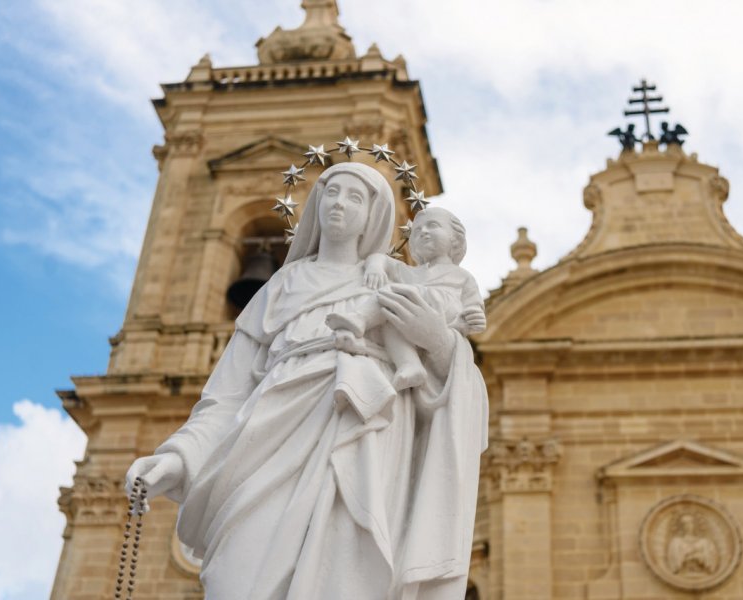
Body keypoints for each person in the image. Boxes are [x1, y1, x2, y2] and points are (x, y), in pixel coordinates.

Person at [125, 162, 488, 600]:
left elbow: (447, 376)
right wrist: (180, 457)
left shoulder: (393, 280)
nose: (339, 204)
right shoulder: (278, 287)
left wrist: (439, 342)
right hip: (263, 443)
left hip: (361, 442)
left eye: (356, 197)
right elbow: (226, 396)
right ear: (315, 203)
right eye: (331, 192)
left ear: (376, 214)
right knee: (234, 581)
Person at [326, 206, 486, 402]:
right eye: (417, 231)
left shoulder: (462, 276)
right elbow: (379, 258)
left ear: (455, 239)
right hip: (409, 310)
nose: (423, 232)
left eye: (432, 226)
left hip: (441, 312)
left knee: (393, 294)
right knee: (391, 318)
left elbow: (473, 308)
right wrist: (375, 267)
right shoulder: (410, 273)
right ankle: (409, 364)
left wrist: (470, 319)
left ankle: (359, 319)